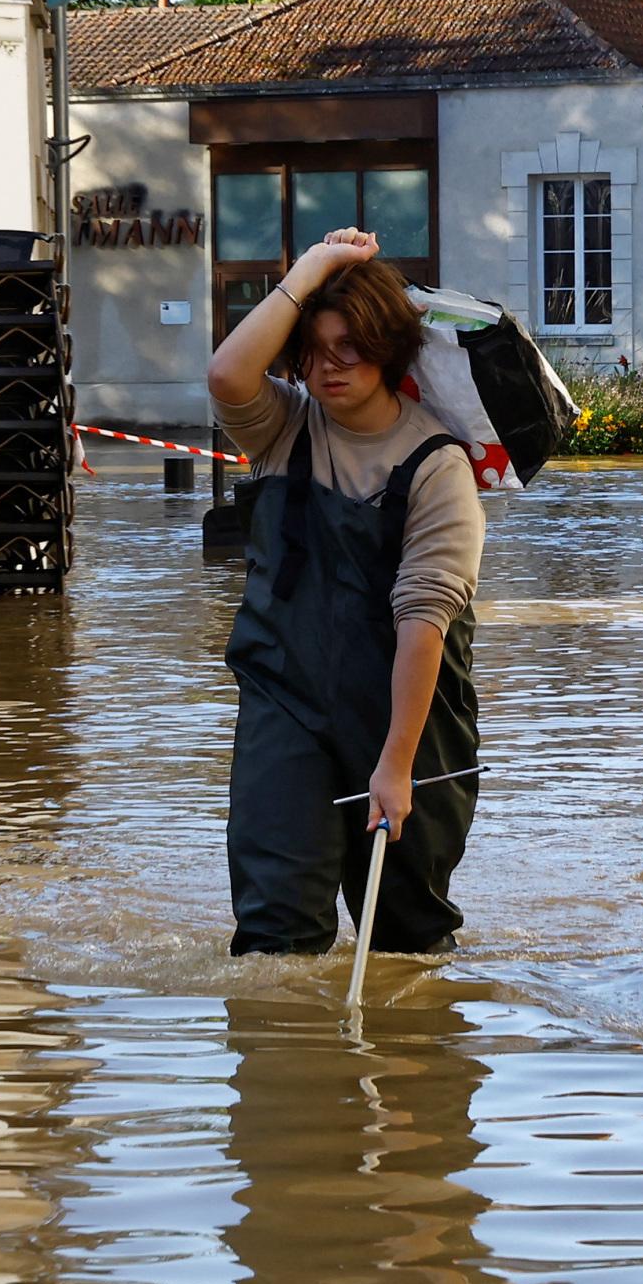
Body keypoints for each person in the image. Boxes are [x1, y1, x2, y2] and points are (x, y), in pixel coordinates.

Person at [206, 227, 485, 955]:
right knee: (274, 937)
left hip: (410, 723)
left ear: (388, 351)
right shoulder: (280, 430)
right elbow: (228, 377)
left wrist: (394, 766)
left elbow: (422, 625)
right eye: (315, 351)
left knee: (406, 942)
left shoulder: (437, 467)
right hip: (284, 704)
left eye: (349, 349)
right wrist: (311, 269)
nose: (330, 368)